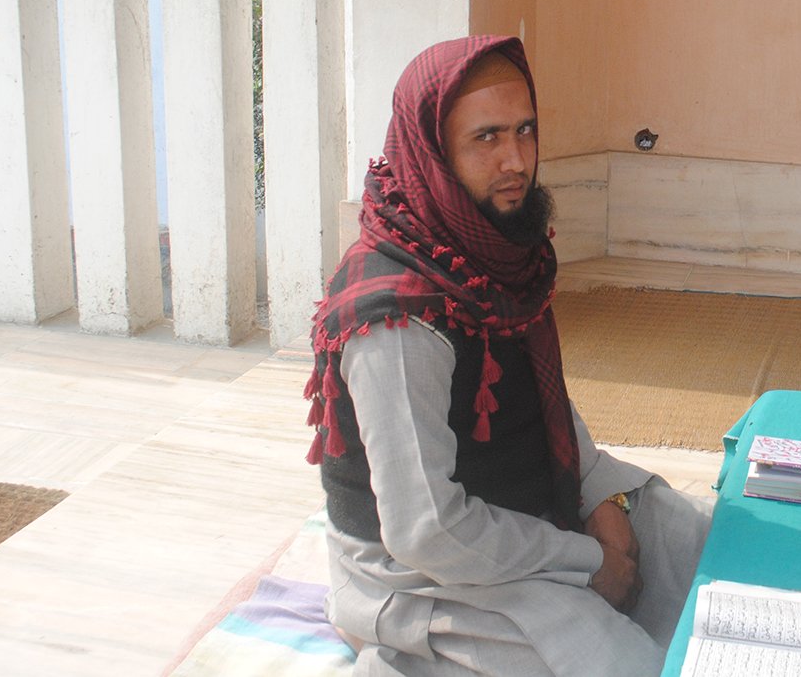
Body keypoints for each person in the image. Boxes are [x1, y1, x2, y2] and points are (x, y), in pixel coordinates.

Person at [301, 35, 712, 676]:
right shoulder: (396, 320)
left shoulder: (494, 252)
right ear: (434, 153)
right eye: (486, 138)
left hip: (519, 516)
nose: (516, 160)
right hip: (418, 574)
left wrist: (603, 501)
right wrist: (589, 563)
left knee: (701, 542)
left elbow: (540, 405)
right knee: (613, 659)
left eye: (525, 130)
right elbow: (425, 530)